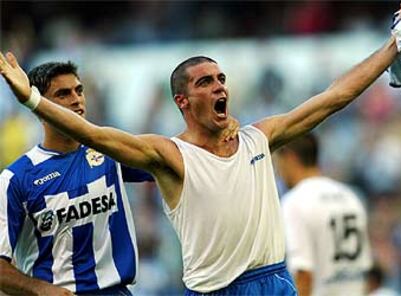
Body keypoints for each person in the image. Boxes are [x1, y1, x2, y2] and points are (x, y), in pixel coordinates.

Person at [0, 6, 401, 292]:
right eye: (205, 82)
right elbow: (98, 136)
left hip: (273, 282)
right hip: (214, 291)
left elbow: (333, 97)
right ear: (182, 102)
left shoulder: (257, 137)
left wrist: (393, 44)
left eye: (221, 78)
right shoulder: (170, 155)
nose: (219, 86)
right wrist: (32, 101)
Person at [0, 61, 238, 296]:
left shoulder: (109, 153)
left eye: (79, 91)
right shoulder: (16, 179)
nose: (77, 100)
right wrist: (39, 289)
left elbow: (178, 156)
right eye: (63, 94)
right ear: (42, 107)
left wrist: (217, 131)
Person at [275, 133, 372, 296]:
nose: (278, 171)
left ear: (289, 158)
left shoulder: (295, 202)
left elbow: (303, 273)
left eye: (278, 163)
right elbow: (364, 267)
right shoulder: (349, 196)